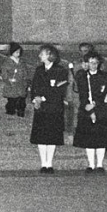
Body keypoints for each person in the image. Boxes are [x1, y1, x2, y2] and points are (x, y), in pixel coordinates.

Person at [74, 52, 107, 173]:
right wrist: (87, 106)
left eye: (96, 63)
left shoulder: (106, 77)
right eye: (91, 62)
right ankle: (91, 164)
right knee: (89, 139)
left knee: (101, 139)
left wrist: (96, 104)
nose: (93, 65)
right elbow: (82, 94)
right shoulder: (82, 76)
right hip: (86, 110)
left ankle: (100, 164)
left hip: (102, 111)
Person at [30, 44, 68, 173]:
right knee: (41, 137)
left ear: (50, 55)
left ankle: (49, 163)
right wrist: (35, 98)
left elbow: (59, 90)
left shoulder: (60, 70)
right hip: (41, 108)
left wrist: (43, 98)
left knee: (52, 136)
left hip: (54, 108)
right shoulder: (39, 70)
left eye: (42, 54)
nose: (39, 56)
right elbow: (34, 86)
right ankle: (43, 163)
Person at [0, 43, 30, 117]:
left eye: (19, 52)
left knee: (21, 102)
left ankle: (20, 113)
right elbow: (4, 73)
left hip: (21, 85)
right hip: (12, 85)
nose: (18, 53)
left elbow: (25, 72)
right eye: (16, 52)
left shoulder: (21, 62)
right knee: (12, 102)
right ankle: (10, 113)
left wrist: (26, 82)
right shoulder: (7, 62)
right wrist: (8, 79)